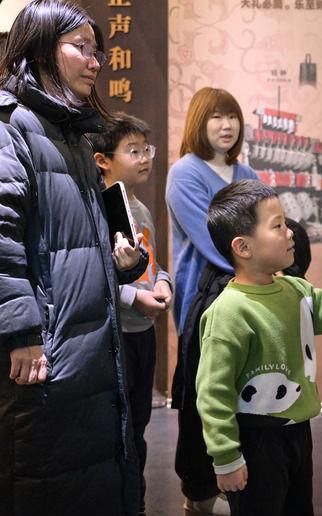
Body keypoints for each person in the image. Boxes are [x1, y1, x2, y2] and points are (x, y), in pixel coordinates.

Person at [0, 1, 148, 514]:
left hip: (86, 348)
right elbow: (2, 238)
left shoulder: (72, 134)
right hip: (46, 352)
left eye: (97, 50)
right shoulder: (11, 127)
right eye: (81, 48)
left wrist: (124, 264)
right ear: (42, 50)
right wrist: (21, 333)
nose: (95, 61)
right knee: (44, 480)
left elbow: (80, 243)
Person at [196, 180, 322, 515]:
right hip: (255, 440)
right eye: (278, 226)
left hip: (298, 432)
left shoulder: (296, 290)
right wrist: (226, 458)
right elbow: (213, 392)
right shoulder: (228, 312)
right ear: (243, 247)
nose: (290, 234)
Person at [165, 86, 258, 513]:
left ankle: (231, 483)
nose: (227, 125)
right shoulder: (185, 173)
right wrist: (261, 264)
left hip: (248, 301)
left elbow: (267, 231)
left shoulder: (247, 173)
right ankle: (198, 496)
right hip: (203, 305)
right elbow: (213, 241)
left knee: (241, 399)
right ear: (198, 123)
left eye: (232, 116)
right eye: (216, 117)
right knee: (203, 402)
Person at [89, 113, 173, 515]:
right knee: (118, 429)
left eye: (146, 150)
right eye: (133, 151)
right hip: (118, 331)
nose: (144, 158)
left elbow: (152, 264)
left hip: (143, 331)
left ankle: (135, 502)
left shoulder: (138, 207)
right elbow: (95, 276)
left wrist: (163, 284)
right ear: (103, 160)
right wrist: (133, 299)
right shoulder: (100, 209)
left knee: (139, 424)